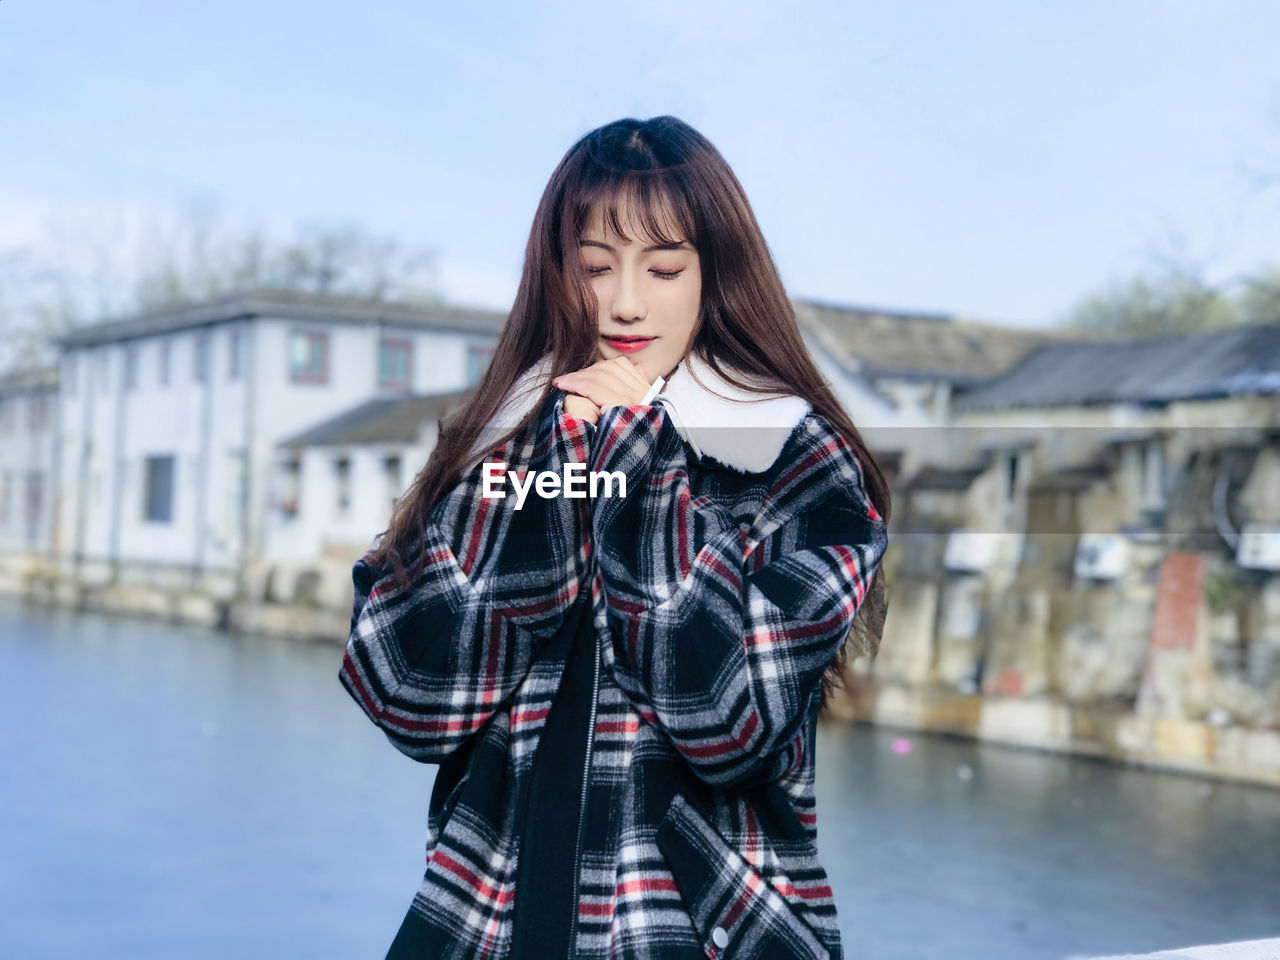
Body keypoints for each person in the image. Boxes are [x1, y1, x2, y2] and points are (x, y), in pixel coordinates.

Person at [339, 115, 891, 960]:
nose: (627, 302)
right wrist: (554, 477)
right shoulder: (505, 442)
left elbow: (724, 714)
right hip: (482, 931)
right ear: (558, 276)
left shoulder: (792, 457)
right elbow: (412, 694)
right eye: (596, 267)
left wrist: (635, 467)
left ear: (715, 274)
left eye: (664, 268)